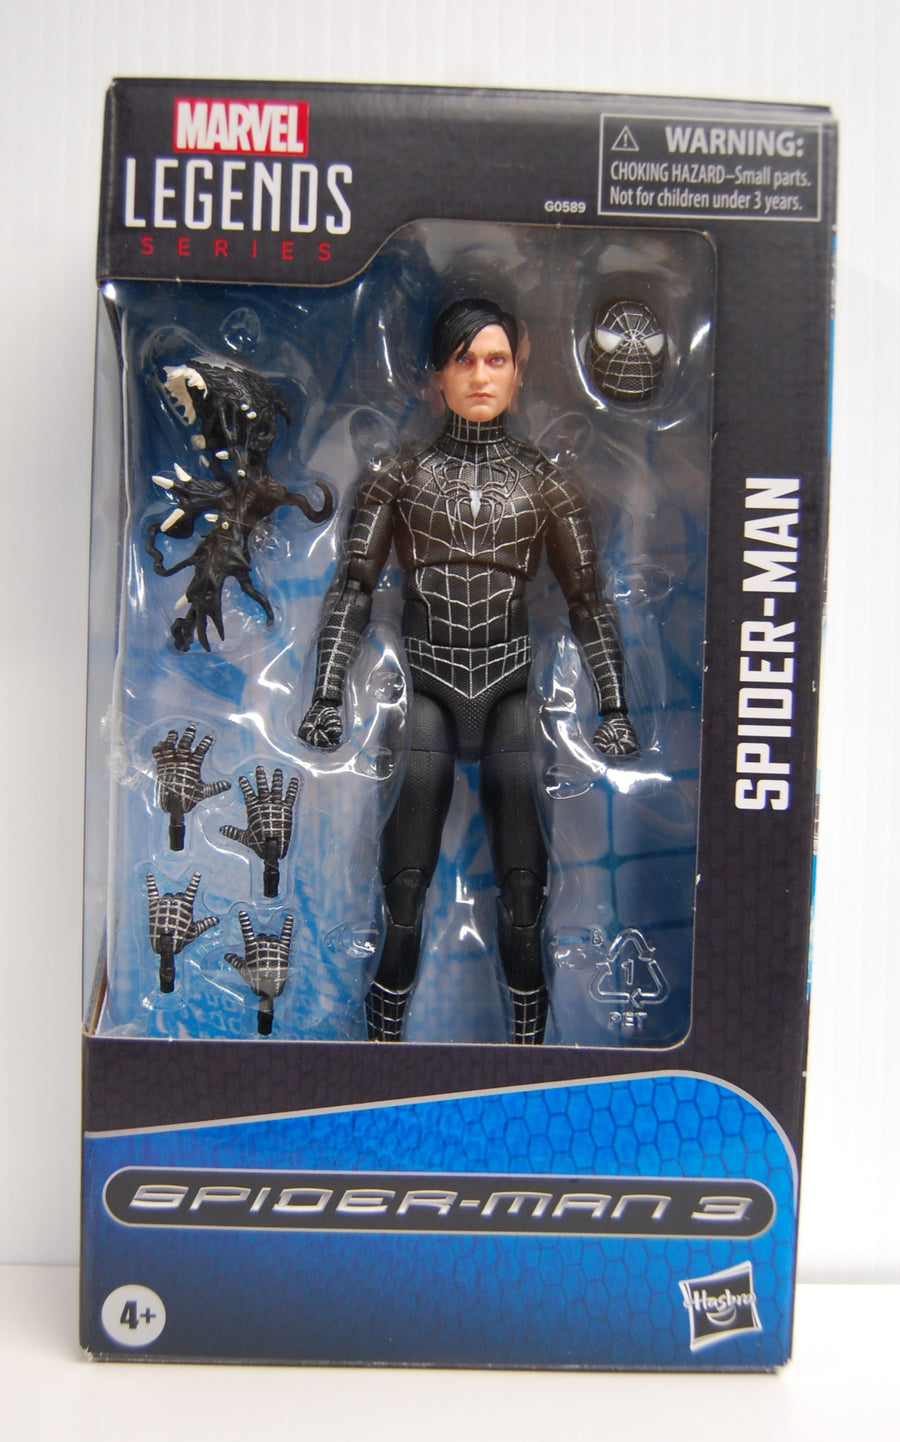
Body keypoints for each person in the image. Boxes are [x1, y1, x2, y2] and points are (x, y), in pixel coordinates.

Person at [300, 298, 638, 1043]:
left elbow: (586, 598)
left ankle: (530, 1044)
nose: (480, 376)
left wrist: (614, 707)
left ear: (518, 371)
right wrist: (326, 695)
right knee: (404, 887)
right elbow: (353, 587)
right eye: (463, 360)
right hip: (425, 687)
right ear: (434, 377)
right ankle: (380, 1038)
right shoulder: (399, 476)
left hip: (512, 688)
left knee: (523, 891)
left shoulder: (546, 482)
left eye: (495, 360)